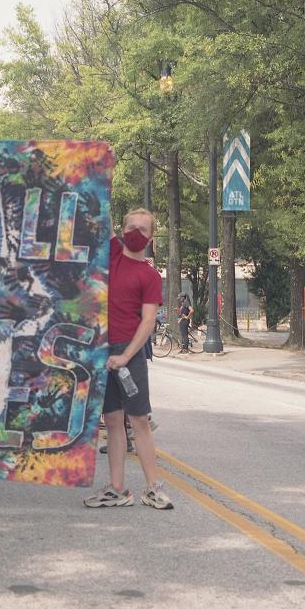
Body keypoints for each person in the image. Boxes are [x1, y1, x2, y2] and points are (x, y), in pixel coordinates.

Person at [85, 208, 173, 511]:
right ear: (121, 229)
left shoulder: (150, 275)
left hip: (129, 353)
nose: (136, 232)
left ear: (151, 238)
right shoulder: (112, 254)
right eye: (131, 226)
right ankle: (117, 489)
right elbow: (101, 205)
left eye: (143, 229)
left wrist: (125, 356)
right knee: (111, 421)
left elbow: (148, 322)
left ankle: (153, 488)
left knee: (138, 421)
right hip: (102, 349)